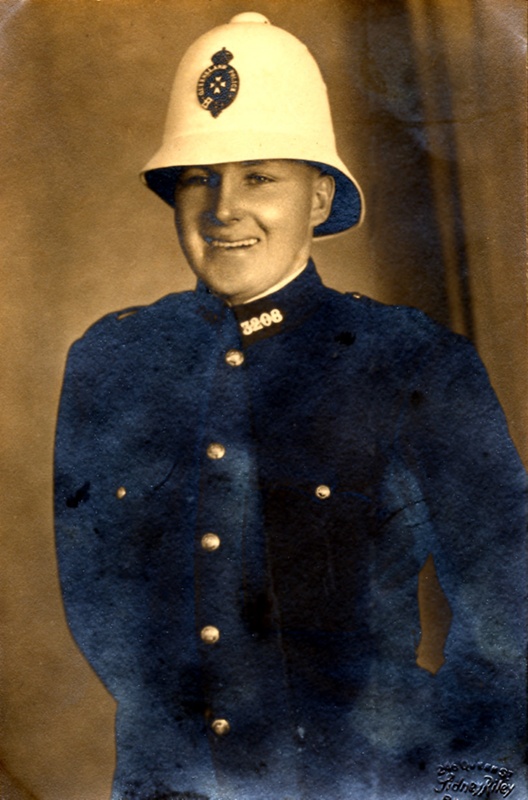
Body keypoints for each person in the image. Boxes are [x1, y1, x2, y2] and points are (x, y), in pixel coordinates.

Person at [54, 12, 526, 800]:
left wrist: (461, 783)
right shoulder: (113, 364)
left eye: (259, 176)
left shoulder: (411, 364)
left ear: (319, 196)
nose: (223, 208)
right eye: (199, 177)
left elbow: (512, 611)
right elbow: (98, 601)